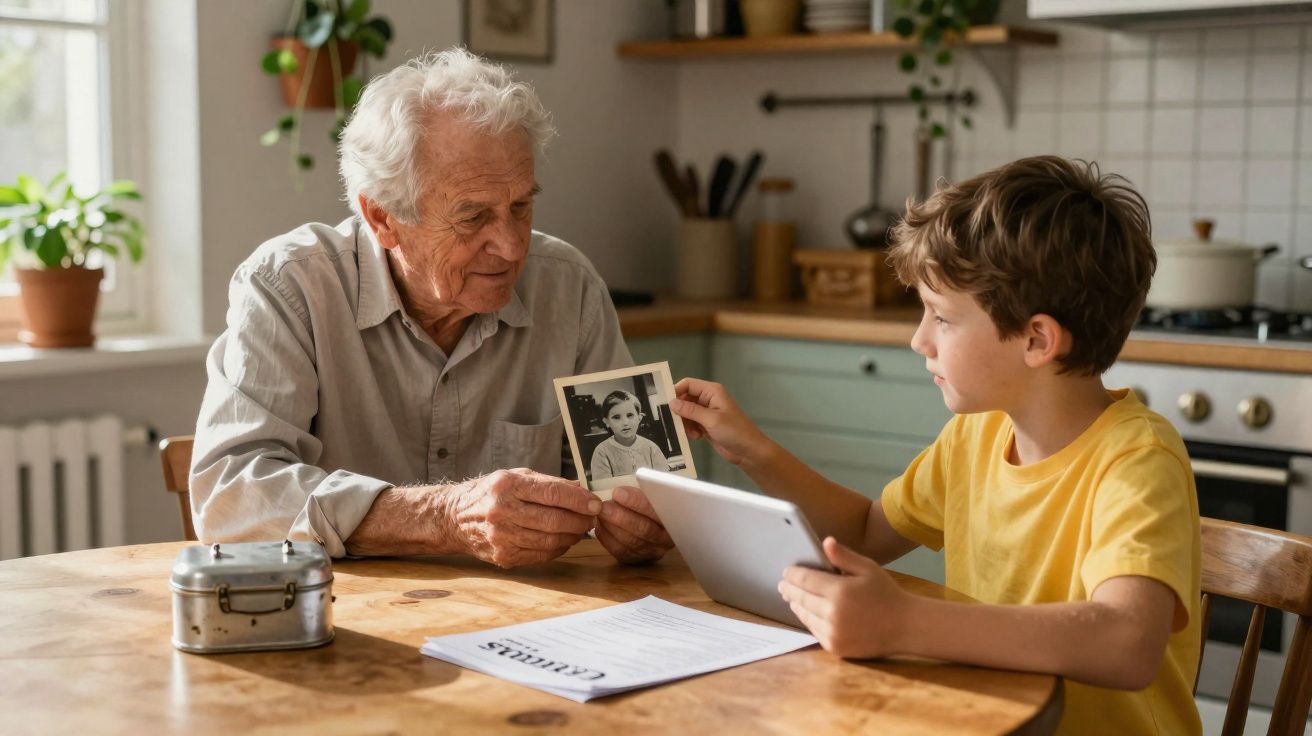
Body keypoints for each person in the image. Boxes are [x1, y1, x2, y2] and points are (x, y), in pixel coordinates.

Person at [669, 156, 1202, 735]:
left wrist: (905, 623)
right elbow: (867, 533)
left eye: (942, 318)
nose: (919, 338)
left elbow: (1127, 642)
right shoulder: (977, 433)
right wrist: (748, 448)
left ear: (1037, 339)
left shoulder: (1137, 460)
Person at [189, 48, 671, 567]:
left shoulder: (571, 287)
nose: (511, 246)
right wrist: (444, 516)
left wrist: (647, 519)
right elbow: (230, 495)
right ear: (382, 219)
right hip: (348, 619)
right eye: (473, 216)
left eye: (521, 206)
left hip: (528, 619)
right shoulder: (288, 286)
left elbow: (645, 482)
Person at [589, 390, 669, 481]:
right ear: (606, 422)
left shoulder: (651, 447)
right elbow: (603, 487)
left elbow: (665, 480)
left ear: (639, 418)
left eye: (630, 415)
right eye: (616, 417)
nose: (625, 422)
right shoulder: (601, 452)